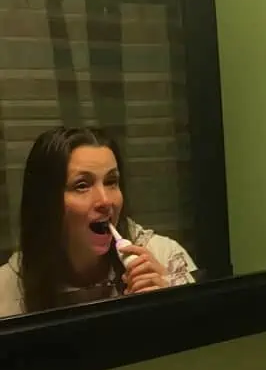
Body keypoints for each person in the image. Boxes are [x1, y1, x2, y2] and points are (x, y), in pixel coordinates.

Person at [0, 126, 196, 317]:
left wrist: (169, 307)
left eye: (111, 182)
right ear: (46, 201)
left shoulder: (165, 258)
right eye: (82, 185)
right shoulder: (7, 291)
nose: (105, 200)